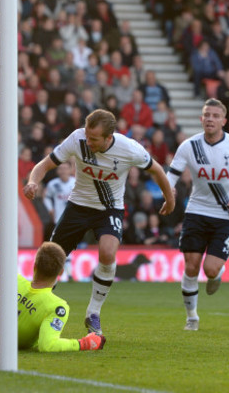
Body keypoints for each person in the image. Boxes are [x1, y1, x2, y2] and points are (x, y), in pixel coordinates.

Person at [23, 109, 175, 335]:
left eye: (94, 139)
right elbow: (45, 164)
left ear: (108, 137)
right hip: (78, 206)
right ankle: (31, 311)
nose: (88, 141)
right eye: (87, 135)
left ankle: (93, 312)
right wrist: (33, 182)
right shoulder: (77, 138)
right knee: (50, 258)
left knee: (107, 252)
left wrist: (170, 199)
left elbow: (158, 171)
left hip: (109, 209)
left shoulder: (129, 149)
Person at [166, 98, 229, 331]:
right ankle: (192, 318)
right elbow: (173, 173)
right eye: (207, 115)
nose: (210, 119)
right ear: (201, 118)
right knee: (191, 267)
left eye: (215, 116)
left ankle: (217, 275)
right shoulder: (189, 145)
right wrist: (169, 194)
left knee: (210, 269)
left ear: (224, 121)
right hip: (196, 211)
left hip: (225, 214)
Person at [0, 242, 105, 352]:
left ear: (35, 265)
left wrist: (1, 293)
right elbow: (48, 346)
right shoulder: (57, 307)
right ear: (61, 272)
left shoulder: (14, 279)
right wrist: (83, 343)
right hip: (10, 344)